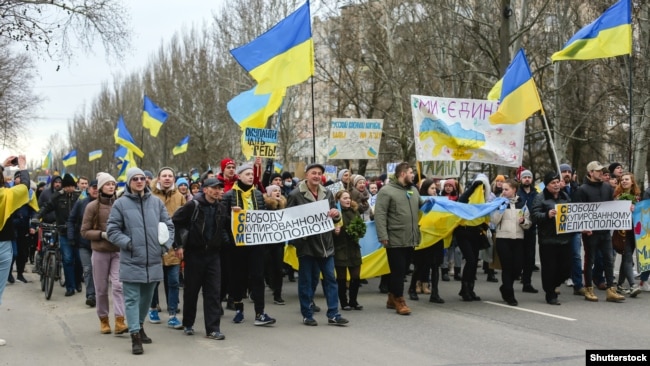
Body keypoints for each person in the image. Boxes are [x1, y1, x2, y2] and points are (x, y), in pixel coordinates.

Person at [106, 168, 174, 355]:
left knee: (146, 300)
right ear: (129, 182)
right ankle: (135, 335)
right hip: (131, 260)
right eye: (134, 179)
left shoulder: (156, 203)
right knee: (132, 299)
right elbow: (112, 231)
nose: (138, 181)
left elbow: (168, 226)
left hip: (153, 260)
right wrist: (129, 244)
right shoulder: (120, 204)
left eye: (141, 178)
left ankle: (140, 325)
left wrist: (164, 246)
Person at [287, 163, 348, 326]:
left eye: (319, 173)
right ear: (306, 175)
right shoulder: (295, 195)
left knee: (330, 279)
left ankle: (334, 313)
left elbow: (335, 215)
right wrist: (299, 240)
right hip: (307, 246)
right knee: (306, 281)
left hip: (326, 244)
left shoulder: (327, 193)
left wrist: (335, 216)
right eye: (313, 173)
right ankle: (307, 314)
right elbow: (287, 220)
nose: (316, 176)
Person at [173, 178, 230, 340]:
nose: (218, 191)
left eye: (219, 188)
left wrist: (227, 241)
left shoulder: (221, 207)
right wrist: (178, 245)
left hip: (213, 255)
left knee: (213, 292)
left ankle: (212, 329)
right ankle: (188, 323)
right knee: (192, 291)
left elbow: (225, 228)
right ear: (205, 190)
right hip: (194, 255)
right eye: (214, 188)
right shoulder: (193, 205)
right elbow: (176, 222)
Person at [222, 163, 275, 326]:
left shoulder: (259, 194)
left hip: (255, 243)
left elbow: (263, 216)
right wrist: (233, 215)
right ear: (239, 176)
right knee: (238, 278)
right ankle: (238, 309)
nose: (251, 177)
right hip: (236, 245)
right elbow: (223, 221)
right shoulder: (229, 196)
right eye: (247, 174)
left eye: (252, 174)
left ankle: (260, 313)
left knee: (258, 277)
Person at [81, 173, 127, 335]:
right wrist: (101, 234)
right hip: (100, 251)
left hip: (117, 251)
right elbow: (84, 231)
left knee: (118, 285)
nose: (111, 186)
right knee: (101, 289)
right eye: (107, 184)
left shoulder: (121, 204)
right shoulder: (92, 206)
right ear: (100, 187)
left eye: (113, 184)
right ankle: (104, 320)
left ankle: (120, 321)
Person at [574, 161, 625, 303]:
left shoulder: (607, 188)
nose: (601, 172)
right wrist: (583, 227)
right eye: (598, 171)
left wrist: (626, 209)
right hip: (590, 232)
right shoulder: (582, 190)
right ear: (591, 172)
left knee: (608, 259)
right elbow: (578, 212)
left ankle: (611, 289)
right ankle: (589, 288)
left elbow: (612, 208)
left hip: (604, 231)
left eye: (602, 170)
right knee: (589, 259)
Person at [374, 162, 421, 315]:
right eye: (410, 172)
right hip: (394, 238)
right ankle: (399, 300)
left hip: (410, 237)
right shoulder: (386, 191)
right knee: (398, 271)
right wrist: (383, 235)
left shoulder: (413, 190)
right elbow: (380, 215)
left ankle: (391, 298)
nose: (413, 175)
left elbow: (421, 205)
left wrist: (436, 202)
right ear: (402, 174)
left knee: (404, 269)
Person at [148, 167, 186, 329]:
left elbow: (184, 224)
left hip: (173, 246)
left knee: (173, 282)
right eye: (164, 176)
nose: (167, 178)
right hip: (153, 245)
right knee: (154, 281)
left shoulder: (180, 197)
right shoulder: (149, 196)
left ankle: (172, 314)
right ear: (158, 178)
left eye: (170, 176)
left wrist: (181, 245)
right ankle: (153, 308)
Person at [37, 173, 81, 297]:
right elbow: (46, 207)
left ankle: (78, 282)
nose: (69, 189)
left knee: (78, 260)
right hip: (63, 232)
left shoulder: (79, 197)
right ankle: (70, 287)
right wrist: (37, 217)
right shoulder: (57, 197)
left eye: (71, 186)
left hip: (78, 233)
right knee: (67, 259)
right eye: (67, 187)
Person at [0, 155, 29, 347]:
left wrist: (2, 165)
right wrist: (23, 167)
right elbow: (25, 187)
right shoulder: (6, 194)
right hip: (3, 244)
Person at [531, 172, 572, 305]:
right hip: (548, 239)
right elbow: (535, 216)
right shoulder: (540, 197)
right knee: (550, 268)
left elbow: (571, 212)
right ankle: (550, 294)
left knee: (565, 268)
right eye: (552, 183)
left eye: (557, 182)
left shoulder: (564, 196)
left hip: (564, 238)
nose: (556, 185)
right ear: (547, 185)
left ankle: (553, 285)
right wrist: (547, 215)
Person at [492, 179, 531, 306]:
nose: (504, 192)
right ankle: (509, 294)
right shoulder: (498, 202)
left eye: (506, 189)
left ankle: (505, 287)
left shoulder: (522, 203)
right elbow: (493, 221)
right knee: (507, 267)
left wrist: (523, 222)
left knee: (517, 268)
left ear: (514, 190)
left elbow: (528, 223)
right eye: (502, 189)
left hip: (518, 239)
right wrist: (500, 210)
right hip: (503, 238)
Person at [454, 173, 492, 301]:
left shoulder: (486, 198)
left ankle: (470, 288)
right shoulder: (468, 194)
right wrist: (472, 188)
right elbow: (460, 203)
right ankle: (465, 289)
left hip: (476, 232)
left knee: (474, 261)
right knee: (470, 260)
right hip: (463, 232)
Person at [409, 178, 445, 304]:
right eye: (432, 188)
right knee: (420, 266)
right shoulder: (419, 201)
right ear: (426, 189)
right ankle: (412, 289)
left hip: (436, 237)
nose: (435, 191)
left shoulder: (440, 201)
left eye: (435, 188)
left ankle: (434, 293)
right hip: (424, 238)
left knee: (435, 267)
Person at [68, 179, 98, 307]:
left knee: (99, 271)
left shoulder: (107, 203)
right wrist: (71, 237)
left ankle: (99, 294)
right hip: (84, 243)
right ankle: (90, 295)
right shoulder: (81, 204)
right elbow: (71, 220)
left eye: (98, 187)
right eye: (93, 187)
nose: (96, 189)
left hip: (100, 243)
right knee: (87, 269)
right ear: (88, 189)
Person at [333, 190, 364, 310]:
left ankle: (353, 301)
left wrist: (359, 230)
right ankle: (344, 302)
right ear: (338, 200)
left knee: (355, 276)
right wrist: (334, 231)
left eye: (349, 198)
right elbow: (330, 230)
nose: (348, 200)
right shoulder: (336, 213)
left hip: (354, 248)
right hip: (340, 249)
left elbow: (360, 225)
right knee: (341, 278)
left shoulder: (354, 212)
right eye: (345, 198)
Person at [613, 172, 641, 297]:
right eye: (622, 180)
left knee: (626, 258)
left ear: (632, 182)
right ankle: (632, 285)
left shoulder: (637, 197)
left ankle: (619, 285)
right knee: (628, 256)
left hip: (634, 232)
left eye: (626, 179)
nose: (624, 181)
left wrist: (636, 208)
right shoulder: (617, 196)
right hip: (622, 232)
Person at [559, 163, 585, 296]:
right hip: (561, 228)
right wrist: (560, 190)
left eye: (569, 171)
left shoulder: (577, 188)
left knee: (576, 255)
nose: (567, 174)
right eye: (564, 172)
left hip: (574, 227)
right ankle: (556, 283)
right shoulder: (555, 188)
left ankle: (578, 284)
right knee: (560, 256)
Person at [263, 184, 287, 305]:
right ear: (269, 193)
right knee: (265, 267)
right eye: (274, 191)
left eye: (279, 191)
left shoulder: (283, 206)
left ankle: (278, 294)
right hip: (265, 242)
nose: (277, 192)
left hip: (278, 243)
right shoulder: (264, 206)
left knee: (278, 268)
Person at [10, 171, 36, 283]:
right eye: (18, 178)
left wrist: (33, 225)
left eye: (22, 178)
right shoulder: (10, 192)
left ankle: (20, 274)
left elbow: (34, 211)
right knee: (13, 253)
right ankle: (8, 273)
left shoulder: (29, 193)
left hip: (24, 227)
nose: (20, 180)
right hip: (11, 227)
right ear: (14, 180)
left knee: (23, 253)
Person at [517, 170, 539, 294]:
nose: (527, 179)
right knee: (518, 256)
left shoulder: (536, 193)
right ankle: (516, 274)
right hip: (518, 228)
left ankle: (527, 282)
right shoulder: (517, 193)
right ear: (521, 179)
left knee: (530, 257)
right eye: (524, 177)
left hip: (531, 228)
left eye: (529, 177)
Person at [441, 179, 463, 281]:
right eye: (446, 186)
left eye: (450, 186)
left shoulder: (458, 199)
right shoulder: (440, 199)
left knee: (457, 251)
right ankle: (444, 271)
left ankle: (457, 272)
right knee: (445, 250)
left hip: (456, 228)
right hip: (445, 228)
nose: (448, 187)